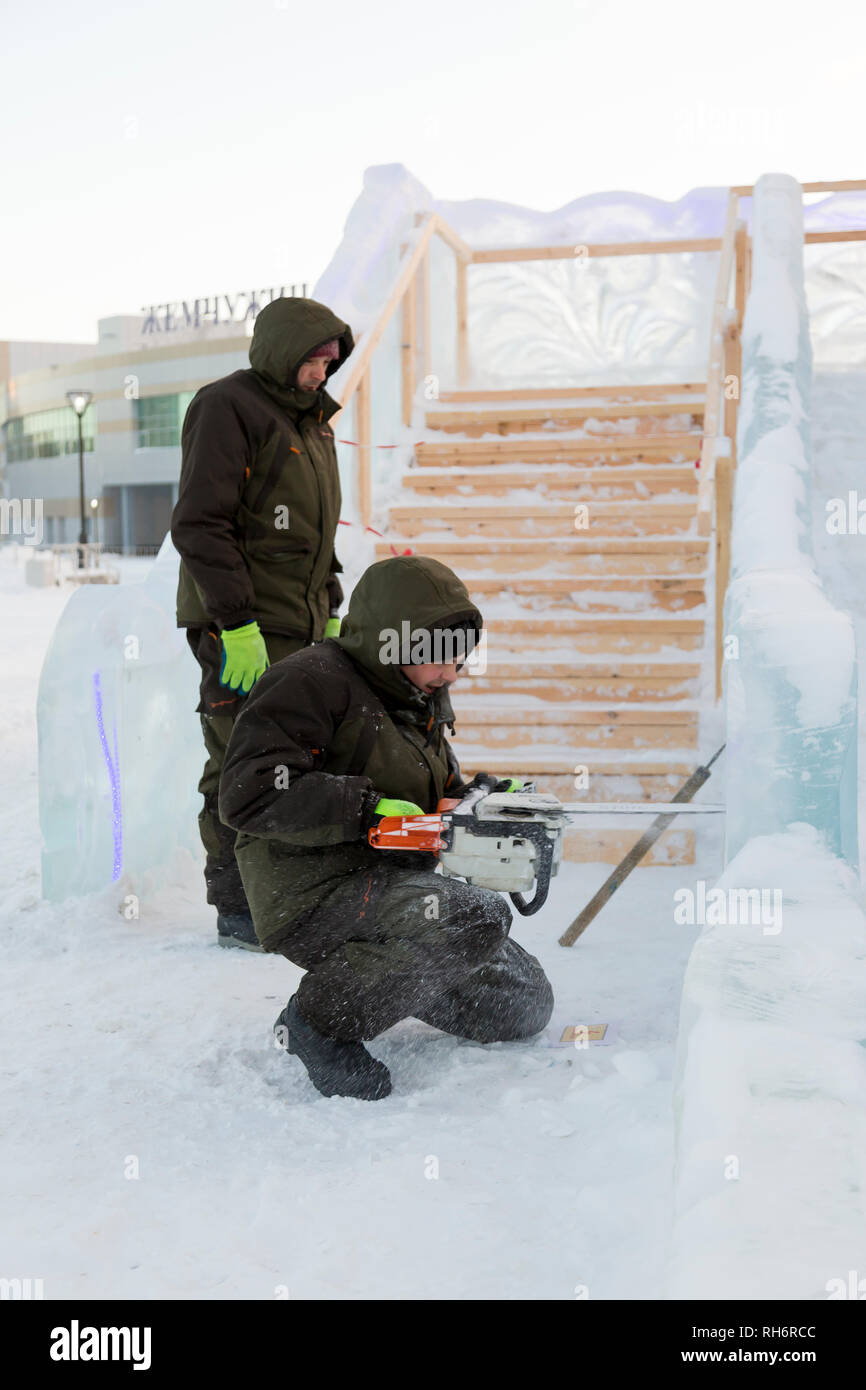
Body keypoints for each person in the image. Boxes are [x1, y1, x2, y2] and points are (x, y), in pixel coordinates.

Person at [218, 554, 554, 1100]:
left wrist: (485, 800)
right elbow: (247, 792)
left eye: (460, 664)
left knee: (522, 1004)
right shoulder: (310, 681)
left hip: (394, 888)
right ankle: (318, 1022)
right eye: (440, 661)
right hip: (311, 889)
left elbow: (436, 793)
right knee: (475, 915)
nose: (450, 675)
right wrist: (363, 808)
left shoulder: (416, 693)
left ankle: (389, 977)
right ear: (394, 642)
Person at [170, 296, 354, 951]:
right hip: (242, 627)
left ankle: (288, 895)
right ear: (283, 350)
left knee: (295, 764)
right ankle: (238, 910)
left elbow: (317, 531)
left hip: (299, 625)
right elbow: (200, 522)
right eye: (313, 360)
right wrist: (235, 622)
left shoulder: (313, 424)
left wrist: (330, 611)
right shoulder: (228, 406)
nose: (323, 373)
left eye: (331, 362)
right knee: (237, 762)